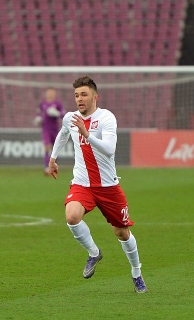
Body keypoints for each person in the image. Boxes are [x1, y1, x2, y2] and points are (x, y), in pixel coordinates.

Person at [47, 75, 147, 293]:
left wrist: (86, 134)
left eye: (84, 94)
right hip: (82, 184)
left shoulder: (106, 118)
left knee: (121, 233)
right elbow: (63, 134)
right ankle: (94, 253)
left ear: (95, 96)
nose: (79, 99)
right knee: (72, 216)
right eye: (76, 95)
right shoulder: (70, 117)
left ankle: (136, 273)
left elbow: (110, 149)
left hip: (109, 187)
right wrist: (53, 158)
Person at [34, 87, 63, 174]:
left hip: (55, 129)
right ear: (46, 94)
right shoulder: (43, 103)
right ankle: (46, 167)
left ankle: (54, 165)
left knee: (55, 149)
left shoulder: (57, 103)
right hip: (46, 129)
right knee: (47, 147)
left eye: (52, 93)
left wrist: (57, 113)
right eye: (49, 93)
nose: (50, 94)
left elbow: (63, 114)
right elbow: (38, 113)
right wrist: (38, 119)